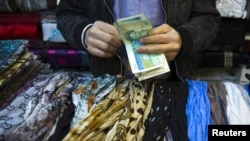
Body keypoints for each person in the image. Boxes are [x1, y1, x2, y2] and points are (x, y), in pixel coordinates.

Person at [56, 0, 221, 140]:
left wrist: (185, 38)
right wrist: (84, 33)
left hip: (175, 82)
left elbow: (208, 18)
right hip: (109, 86)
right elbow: (67, 13)